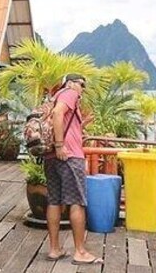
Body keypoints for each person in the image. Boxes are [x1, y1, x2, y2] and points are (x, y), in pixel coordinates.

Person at [44, 74, 102, 265]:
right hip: (68, 156)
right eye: (81, 84)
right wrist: (61, 145)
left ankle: (54, 249)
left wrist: (81, 125)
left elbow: (61, 118)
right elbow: (58, 114)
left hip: (51, 156)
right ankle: (80, 251)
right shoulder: (69, 93)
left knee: (54, 200)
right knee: (77, 202)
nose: (82, 89)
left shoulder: (55, 97)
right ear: (70, 83)